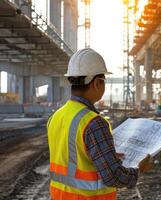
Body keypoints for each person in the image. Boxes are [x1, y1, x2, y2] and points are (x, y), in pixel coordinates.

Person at [47, 48, 153, 200]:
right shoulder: (93, 122)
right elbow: (113, 177)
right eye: (104, 81)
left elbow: (72, 157)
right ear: (96, 83)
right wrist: (139, 170)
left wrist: (102, 154)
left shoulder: (56, 116)